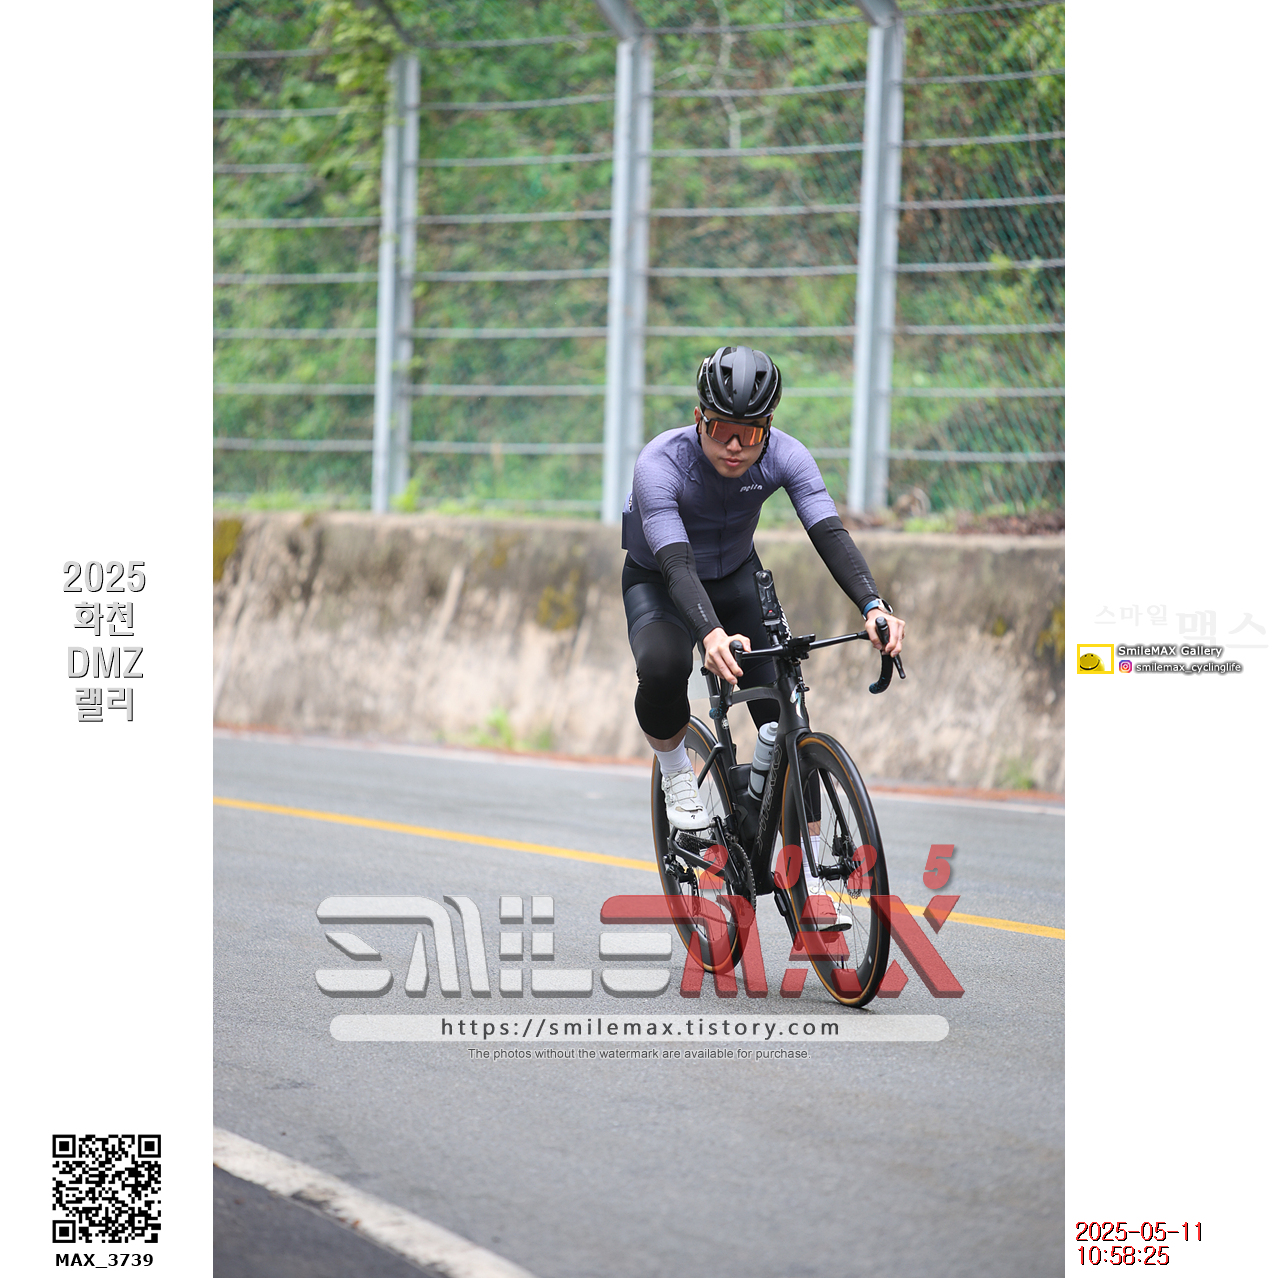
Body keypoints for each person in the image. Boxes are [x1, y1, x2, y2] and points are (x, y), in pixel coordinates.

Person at [621, 345, 905, 833]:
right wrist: (709, 633)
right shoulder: (660, 463)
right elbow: (676, 563)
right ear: (699, 419)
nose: (735, 446)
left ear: (768, 427)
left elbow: (829, 533)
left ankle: (802, 852)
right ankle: (676, 773)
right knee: (663, 669)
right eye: (721, 429)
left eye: (750, 433)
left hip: (736, 575)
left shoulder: (787, 455)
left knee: (786, 708)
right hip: (661, 580)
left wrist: (873, 605)